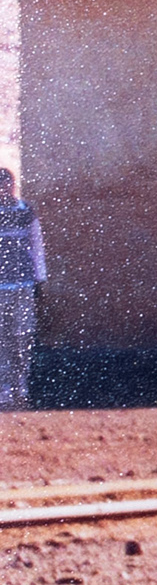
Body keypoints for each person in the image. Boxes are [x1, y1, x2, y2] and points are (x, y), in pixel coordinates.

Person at [0, 168, 42, 411]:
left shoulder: (25, 212)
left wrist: (39, 280)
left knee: (22, 336)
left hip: (22, 285)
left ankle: (20, 386)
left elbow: (36, 247)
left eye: (7, 185)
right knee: (2, 338)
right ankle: (4, 389)